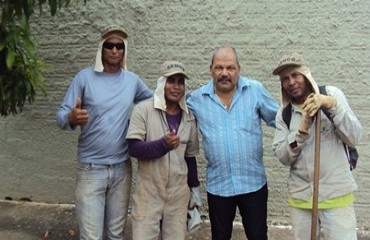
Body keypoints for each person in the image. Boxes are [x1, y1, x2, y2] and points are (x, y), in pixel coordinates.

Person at [56, 25, 153, 240]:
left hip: (122, 169)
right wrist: (71, 117)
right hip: (91, 170)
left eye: (120, 46)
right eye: (110, 45)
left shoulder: (132, 81)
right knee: (91, 236)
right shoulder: (84, 78)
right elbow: (61, 115)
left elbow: (157, 101)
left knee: (116, 235)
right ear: (102, 48)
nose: (115, 50)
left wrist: (189, 96)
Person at [187, 46, 279, 240]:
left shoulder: (255, 91)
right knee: (220, 237)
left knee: (258, 236)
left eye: (230, 68)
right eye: (219, 68)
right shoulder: (197, 99)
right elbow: (169, 106)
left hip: (253, 183)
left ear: (239, 69)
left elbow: (280, 119)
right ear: (211, 69)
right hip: (219, 186)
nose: (224, 73)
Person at [272, 52, 362, 240]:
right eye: (285, 78)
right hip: (301, 199)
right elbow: (283, 156)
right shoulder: (284, 114)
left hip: (336, 197)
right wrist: (301, 131)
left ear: (305, 74)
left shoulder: (331, 94)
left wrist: (332, 106)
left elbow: (354, 136)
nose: (291, 82)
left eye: (295, 75)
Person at [126, 60, 201, 240]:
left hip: (178, 193)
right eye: (171, 81)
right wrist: (163, 145)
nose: (176, 87)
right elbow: (133, 148)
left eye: (180, 82)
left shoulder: (189, 117)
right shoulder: (143, 110)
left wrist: (195, 189)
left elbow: (190, 157)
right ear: (162, 83)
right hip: (148, 192)